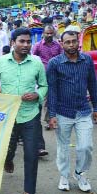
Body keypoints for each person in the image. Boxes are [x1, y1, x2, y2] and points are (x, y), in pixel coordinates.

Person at [0, 28, 48, 194]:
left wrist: (37, 94)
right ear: (12, 42)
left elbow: (44, 86)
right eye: (22, 41)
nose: (26, 45)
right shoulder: (0, 62)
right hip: (7, 116)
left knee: (31, 155)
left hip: (30, 115)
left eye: (29, 42)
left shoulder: (37, 63)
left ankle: (29, 190)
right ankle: (8, 160)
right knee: (7, 149)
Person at [47, 30, 97, 192]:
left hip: (83, 111)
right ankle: (64, 175)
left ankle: (80, 174)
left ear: (78, 42)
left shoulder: (87, 60)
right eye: (67, 42)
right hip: (63, 112)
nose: (71, 45)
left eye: (73, 41)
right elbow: (52, 90)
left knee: (86, 147)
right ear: (62, 44)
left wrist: (96, 108)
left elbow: (93, 85)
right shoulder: (55, 63)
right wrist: (52, 114)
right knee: (63, 147)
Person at [32, 25, 64, 155]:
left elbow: (63, 58)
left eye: (51, 33)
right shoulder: (38, 46)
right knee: (46, 98)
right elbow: (33, 58)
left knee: (55, 96)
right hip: (43, 76)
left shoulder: (58, 46)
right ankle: (47, 120)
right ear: (43, 34)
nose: (49, 35)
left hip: (56, 75)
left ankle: (54, 117)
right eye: (47, 33)